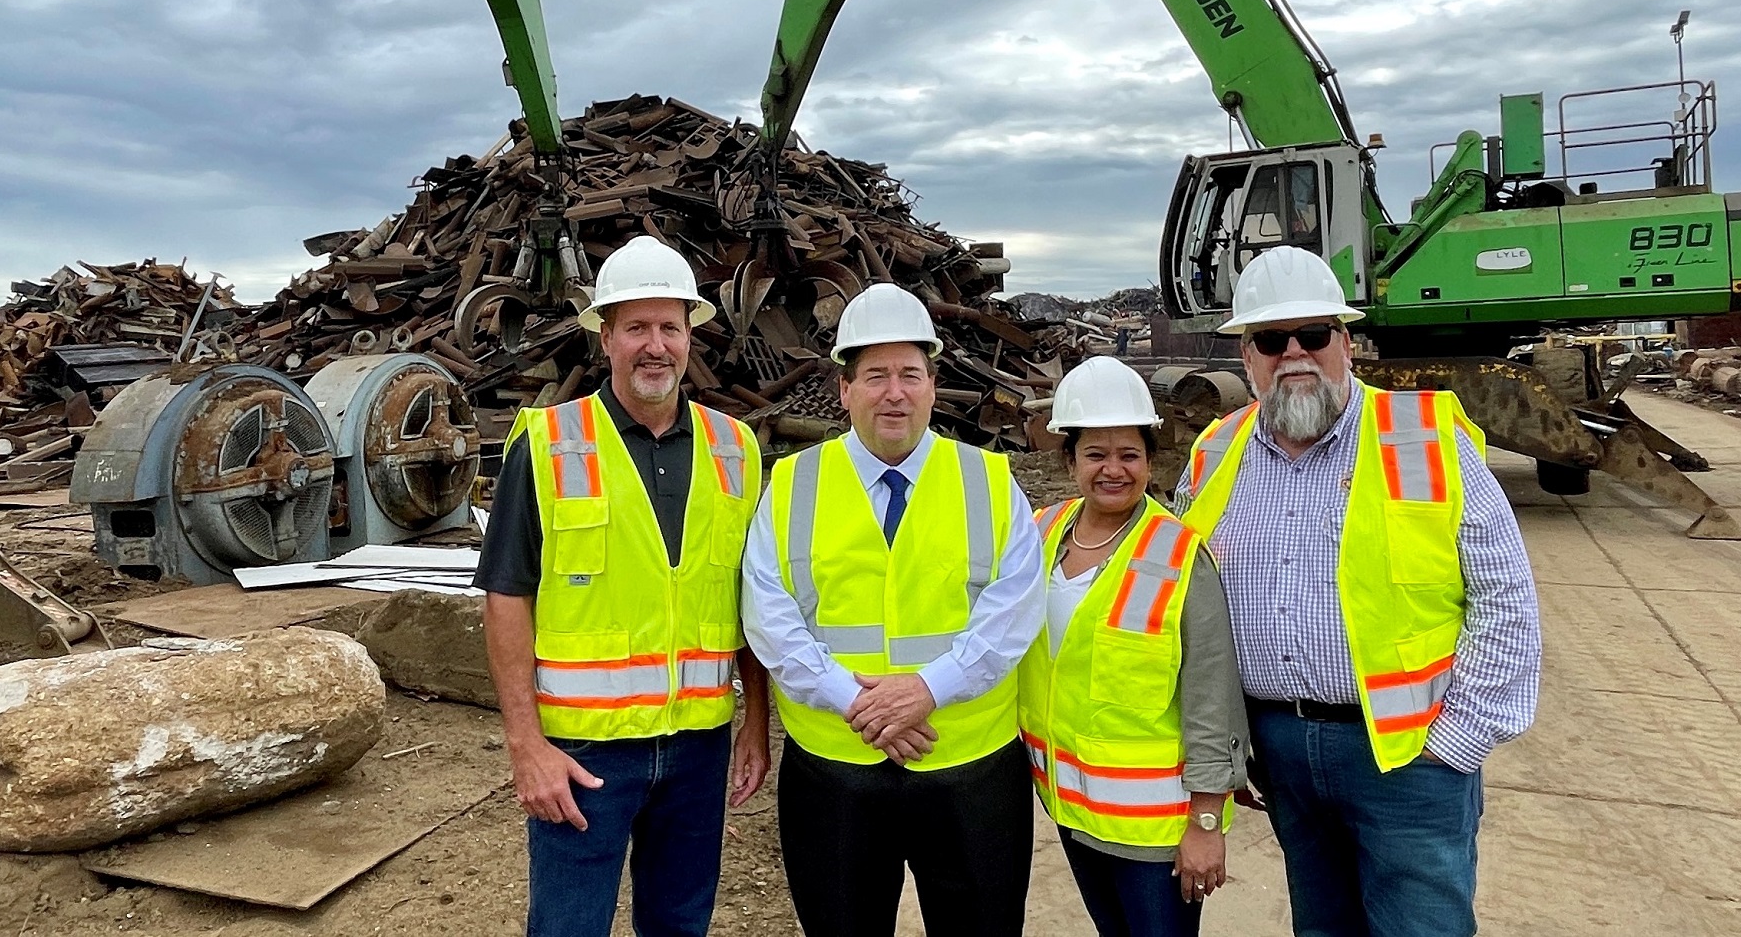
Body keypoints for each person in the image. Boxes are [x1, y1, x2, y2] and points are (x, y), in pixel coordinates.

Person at [1174, 247, 1541, 937]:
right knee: (1322, 928)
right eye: (1271, 340)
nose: (1295, 354)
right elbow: (1192, 612)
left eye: (1313, 335)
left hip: (1406, 757)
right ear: (1244, 355)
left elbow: (1506, 598)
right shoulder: (1214, 454)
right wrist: (1226, 748)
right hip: (1279, 750)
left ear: (1346, 341)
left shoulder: (1424, 440)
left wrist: (1458, 739)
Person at [476, 234, 770, 937]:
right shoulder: (548, 443)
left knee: (679, 925)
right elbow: (505, 594)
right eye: (636, 327)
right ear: (604, 338)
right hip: (582, 752)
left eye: (670, 326)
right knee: (569, 927)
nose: (655, 345)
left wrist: (755, 721)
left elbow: (755, 601)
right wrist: (526, 747)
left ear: (690, 337)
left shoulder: (737, 448)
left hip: (699, 745)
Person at [741, 283, 1045, 937]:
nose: (894, 392)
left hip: (970, 767)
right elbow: (769, 612)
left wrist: (929, 690)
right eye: (875, 375)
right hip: (834, 771)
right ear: (844, 389)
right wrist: (856, 701)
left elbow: (1014, 609)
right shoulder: (794, 485)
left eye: (910, 373)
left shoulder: (988, 482)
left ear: (933, 384)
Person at [1021, 355, 1247, 937]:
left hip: (1154, 829)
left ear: (1150, 461)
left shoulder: (1179, 555)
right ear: (1069, 459)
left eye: (1130, 455)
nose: (1113, 470)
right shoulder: (1041, 532)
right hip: (1071, 808)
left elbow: (1210, 693)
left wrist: (1205, 821)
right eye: (1096, 454)